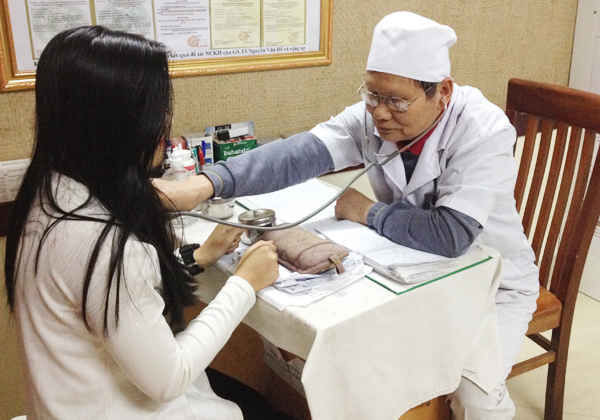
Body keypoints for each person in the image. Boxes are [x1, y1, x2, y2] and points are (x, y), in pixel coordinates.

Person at [155, 11, 540, 420]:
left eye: (397, 101)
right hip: (413, 281)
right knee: (360, 366)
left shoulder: (482, 129)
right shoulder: (372, 117)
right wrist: (207, 183)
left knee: (475, 396)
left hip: (490, 284)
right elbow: (297, 154)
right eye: (372, 95)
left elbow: (451, 235)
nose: (380, 113)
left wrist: (367, 211)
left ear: (442, 91)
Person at [4, 26, 283, 420]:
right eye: (157, 109)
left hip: (72, 400)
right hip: (126, 403)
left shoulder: (48, 194)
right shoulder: (99, 242)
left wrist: (198, 257)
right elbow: (170, 378)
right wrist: (244, 284)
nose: (166, 123)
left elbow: (107, 301)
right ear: (116, 124)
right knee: (257, 407)